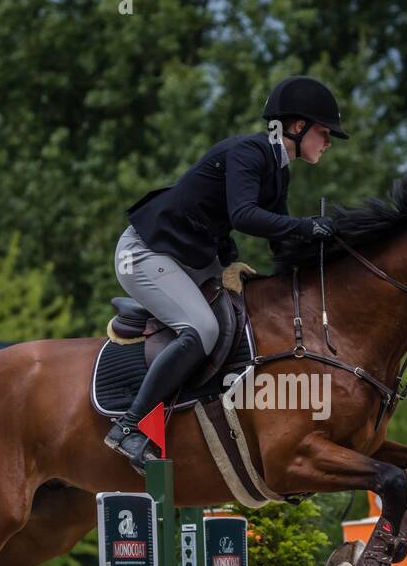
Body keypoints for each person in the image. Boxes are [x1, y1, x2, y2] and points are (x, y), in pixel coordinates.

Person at [106, 75, 349, 473]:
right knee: (202, 328)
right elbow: (244, 215)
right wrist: (307, 226)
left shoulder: (277, 169)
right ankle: (128, 427)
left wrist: (333, 246)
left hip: (187, 258)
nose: (328, 142)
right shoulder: (249, 153)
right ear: (297, 126)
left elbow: (279, 238)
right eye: (324, 132)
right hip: (145, 253)